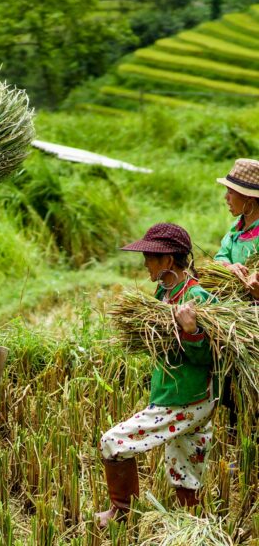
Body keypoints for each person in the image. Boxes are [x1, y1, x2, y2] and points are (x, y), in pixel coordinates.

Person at [96, 223, 216, 527]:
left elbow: (211, 357)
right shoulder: (164, 294)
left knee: (113, 443)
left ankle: (121, 514)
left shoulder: (197, 299)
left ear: (168, 261)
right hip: (173, 393)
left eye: (150, 257)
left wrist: (192, 331)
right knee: (184, 466)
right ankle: (192, 527)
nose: (145, 263)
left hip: (186, 398)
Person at [215, 158, 259, 298]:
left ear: (249, 198)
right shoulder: (237, 229)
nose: (225, 197)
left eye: (231, 192)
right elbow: (220, 257)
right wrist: (229, 267)